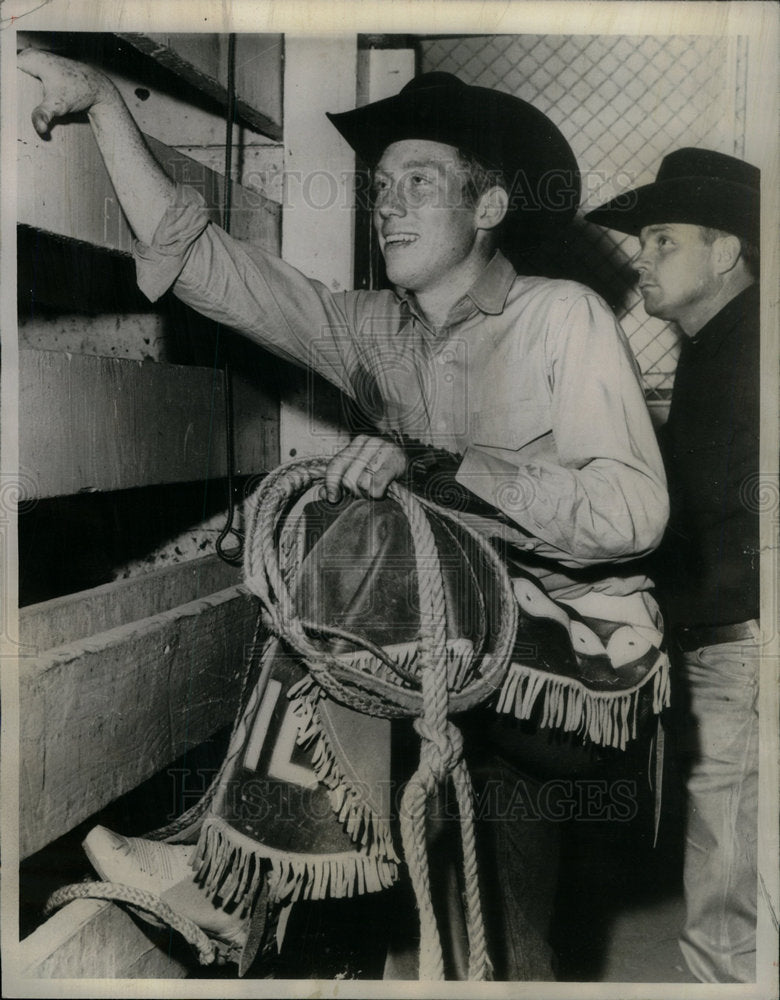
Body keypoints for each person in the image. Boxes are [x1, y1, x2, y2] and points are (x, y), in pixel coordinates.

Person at [19, 51, 670, 980]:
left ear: (488, 209)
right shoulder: (371, 327)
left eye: (419, 183)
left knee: (364, 540)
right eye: (380, 188)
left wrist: (441, 470)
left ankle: (228, 879)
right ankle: (240, 874)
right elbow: (207, 263)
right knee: (512, 954)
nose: (387, 205)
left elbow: (637, 511)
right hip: (444, 668)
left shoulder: (564, 318)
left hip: (578, 666)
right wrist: (106, 106)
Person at [586, 147, 761, 983]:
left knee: (728, 889)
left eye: (663, 241)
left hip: (747, 645)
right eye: (642, 243)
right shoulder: (716, 346)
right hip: (726, 639)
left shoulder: (753, 351)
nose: (642, 260)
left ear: (725, 251)